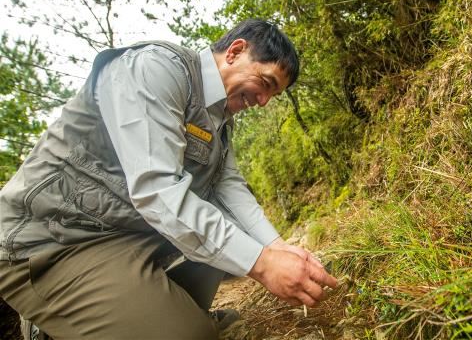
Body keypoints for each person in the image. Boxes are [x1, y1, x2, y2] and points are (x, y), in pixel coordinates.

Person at [0, 19, 337, 339]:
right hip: (52, 241)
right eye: (266, 84)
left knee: (219, 239)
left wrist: (274, 247)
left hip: (123, 233)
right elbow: (157, 191)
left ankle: (163, 312)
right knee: (190, 335)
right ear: (234, 52)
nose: (263, 102)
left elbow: (227, 186)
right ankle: (52, 327)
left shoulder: (220, 119)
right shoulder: (154, 69)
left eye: (272, 96)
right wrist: (262, 265)